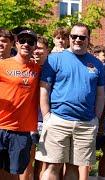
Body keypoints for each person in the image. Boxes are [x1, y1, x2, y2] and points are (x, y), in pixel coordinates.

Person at [36, 23, 105, 180]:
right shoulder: (54, 59)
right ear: (69, 38)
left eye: (82, 37)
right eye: (74, 36)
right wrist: (47, 116)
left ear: (88, 39)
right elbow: (44, 89)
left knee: (74, 167)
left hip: (86, 124)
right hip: (58, 121)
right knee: (53, 166)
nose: (78, 40)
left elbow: (100, 95)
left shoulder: (97, 64)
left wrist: (96, 119)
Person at [0, 29, 40, 180]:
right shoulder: (3, 65)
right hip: (0, 125)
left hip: (21, 130)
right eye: (22, 41)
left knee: (13, 173)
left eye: (30, 42)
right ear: (16, 43)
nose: (26, 44)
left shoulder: (38, 70)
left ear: (35, 46)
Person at [19, 35, 50, 180]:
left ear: (47, 50)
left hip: (47, 119)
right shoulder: (27, 67)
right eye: (35, 48)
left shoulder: (52, 69)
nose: (37, 51)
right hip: (29, 121)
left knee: (45, 160)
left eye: (41, 48)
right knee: (27, 160)